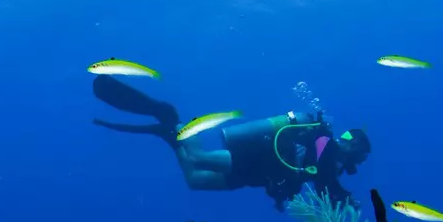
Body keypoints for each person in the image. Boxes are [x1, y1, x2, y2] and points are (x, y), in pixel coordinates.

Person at [90, 76, 371, 209]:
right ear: (353, 146)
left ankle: (171, 137)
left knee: (195, 180)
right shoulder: (325, 142)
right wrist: (347, 198)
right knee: (200, 157)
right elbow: (323, 180)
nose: (356, 164)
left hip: (260, 175)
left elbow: (319, 180)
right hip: (261, 158)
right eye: (359, 157)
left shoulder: (327, 150)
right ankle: (170, 117)